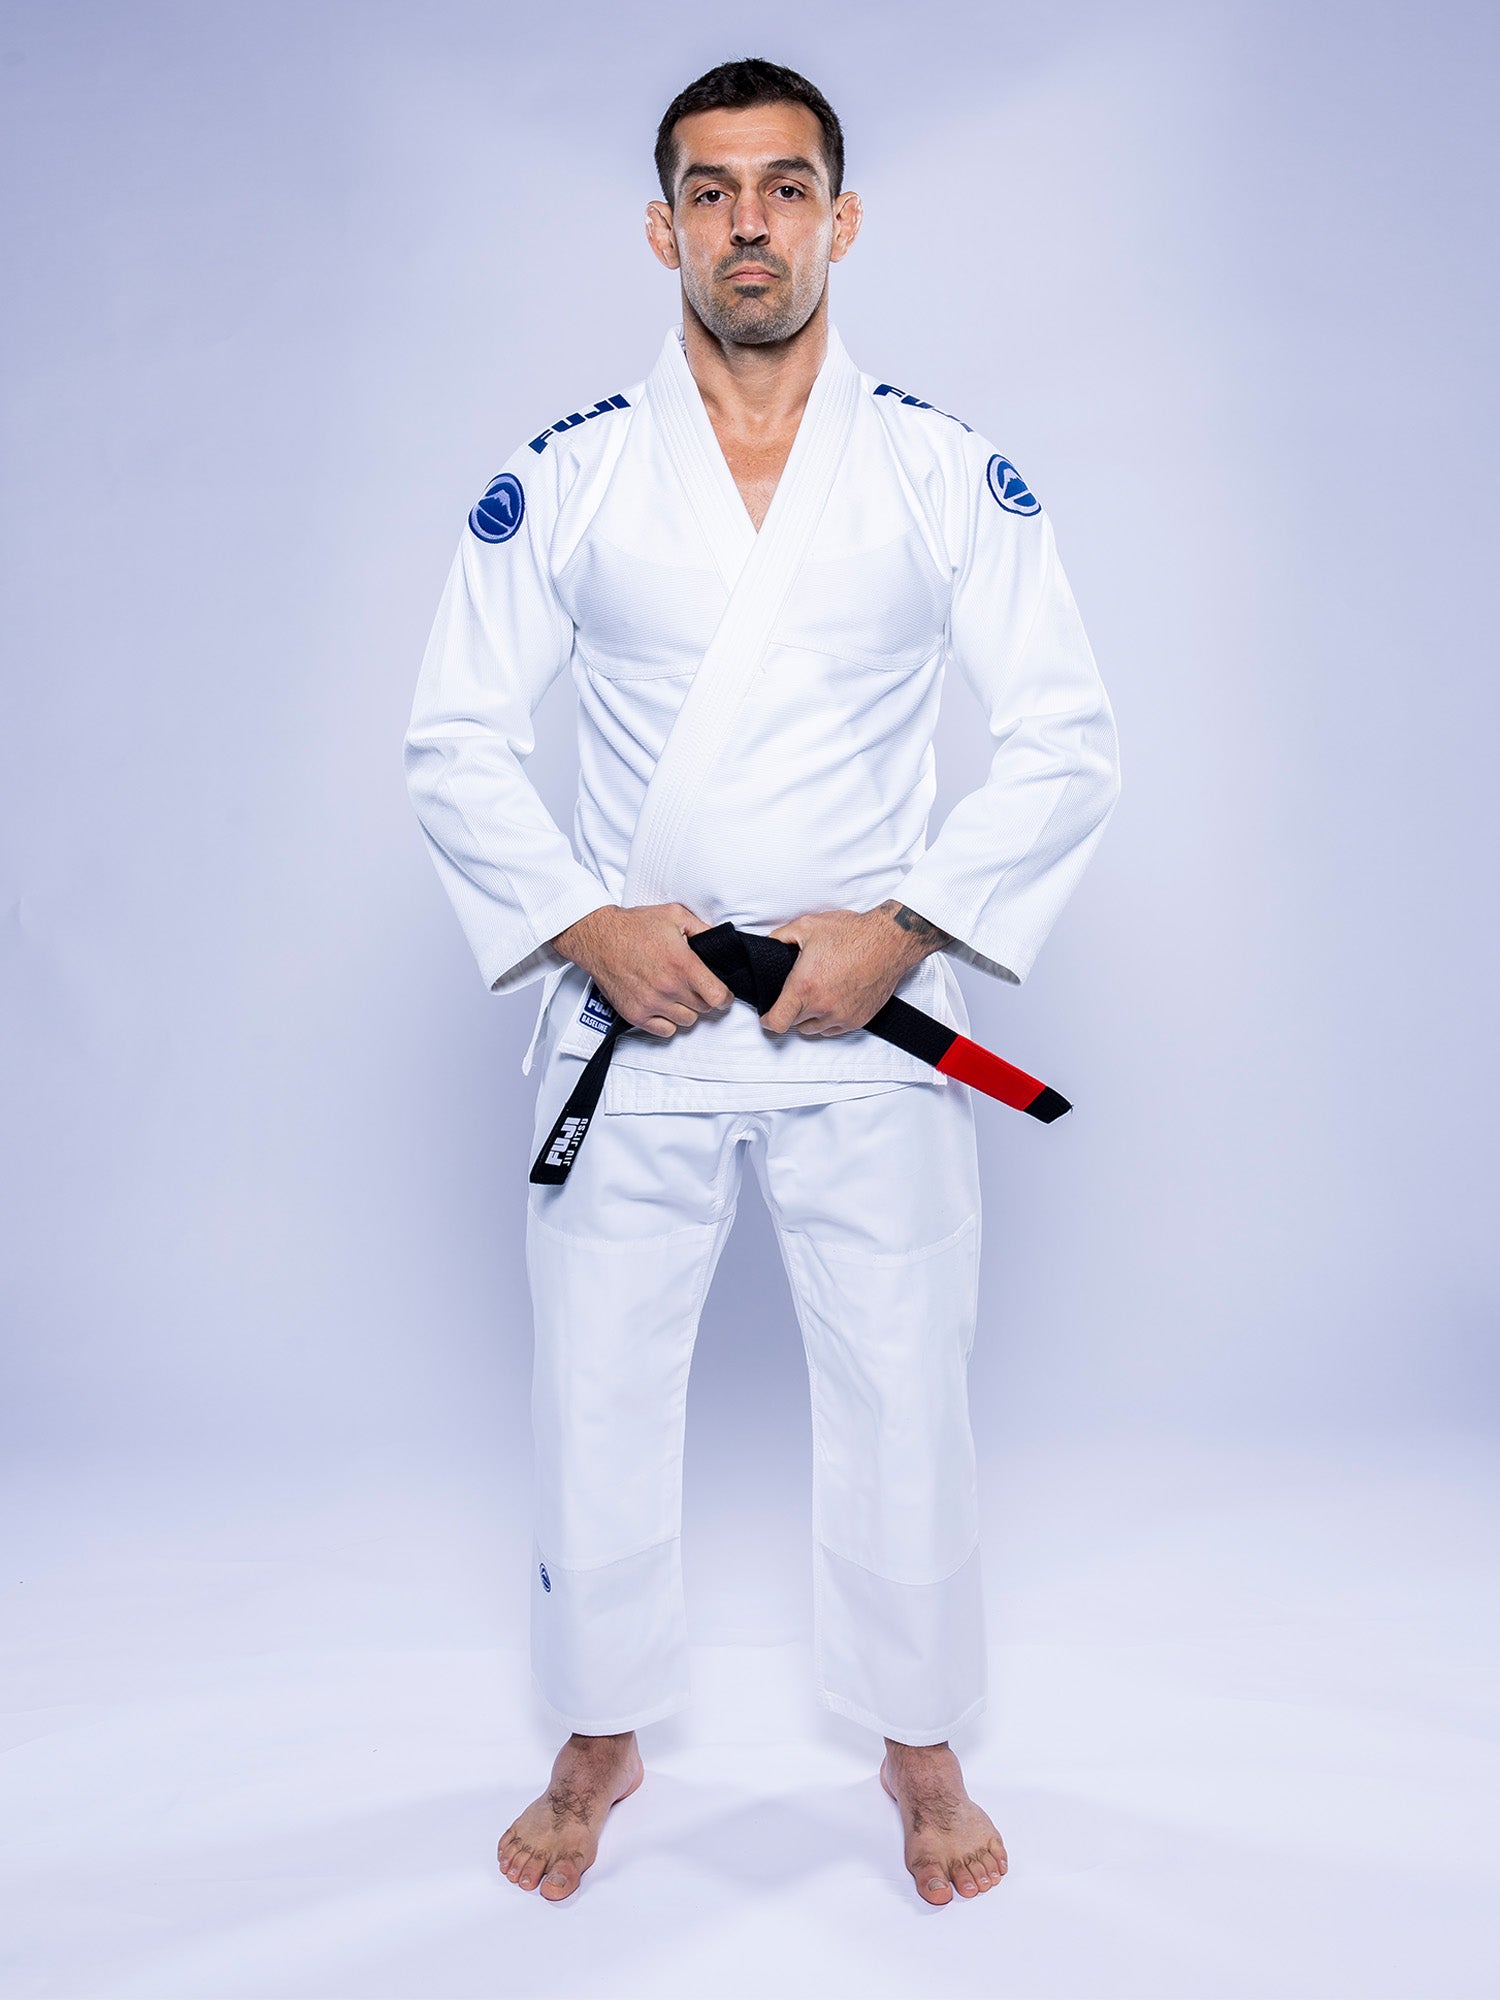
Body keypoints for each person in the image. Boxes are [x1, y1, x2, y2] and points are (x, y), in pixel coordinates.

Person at [403, 56, 1120, 1907]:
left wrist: (908, 929)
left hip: (856, 1011)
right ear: (663, 227)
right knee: (597, 1386)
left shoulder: (946, 469)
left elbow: (1064, 740)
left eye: (784, 188)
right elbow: (457, 741)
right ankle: (598, 1728)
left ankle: (920, 1743)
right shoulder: (563, 474)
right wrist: (583, 920)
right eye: (711, 192)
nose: (748, 222)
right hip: (633, 1017)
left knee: (905, 1385)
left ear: (840, 220)